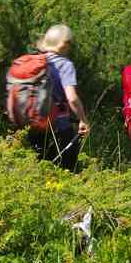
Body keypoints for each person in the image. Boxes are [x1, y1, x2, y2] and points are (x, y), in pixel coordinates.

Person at [27, 24, 90, 171]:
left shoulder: (33, 61)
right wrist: (83, 120)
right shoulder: (65, 64)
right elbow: (72, 98)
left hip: (30, 121)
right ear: (65, 44)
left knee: (35, 162)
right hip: (58, 124)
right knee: (66, 166)